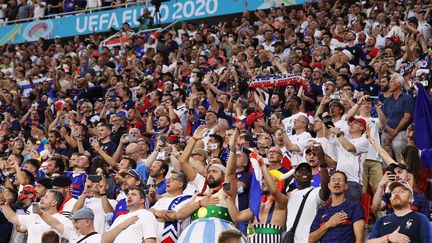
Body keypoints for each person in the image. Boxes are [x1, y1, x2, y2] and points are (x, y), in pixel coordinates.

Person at [286, 145, 330, 243]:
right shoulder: (292, 193)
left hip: (308, 240)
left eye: (307, 170)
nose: (304, 172)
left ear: (311, 177)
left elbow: (326, 191)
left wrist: (322, 163)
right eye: (300, 170)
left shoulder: (316, 191)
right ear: (294, 176)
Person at [309, 171, 365, 243]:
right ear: (329, 186)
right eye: (334, 180)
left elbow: (360, 240)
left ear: (346, 186)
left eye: (340, 180)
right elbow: (310, 239)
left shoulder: (354, 207)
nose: (337, 182)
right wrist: (329, 224)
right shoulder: (322, 211)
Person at [0, 189, 72, 243]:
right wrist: (3, 204)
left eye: (46, 197)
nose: (41, 198)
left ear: (54, 202)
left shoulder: (63, 220)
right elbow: (12, 218)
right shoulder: (34, 216)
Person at [330, 117, 369, 202]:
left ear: (362, 127)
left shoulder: (364, 141)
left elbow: (349, 147)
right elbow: (327, 136)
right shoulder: (344, 140)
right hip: (338, 180)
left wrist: (339, 134)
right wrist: (326, 123)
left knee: (350, 213)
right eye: (351, 123)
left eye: (355, 123)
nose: (351, 124)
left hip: (352, 182)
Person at [34, 207, 101, 243]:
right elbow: (56, 224)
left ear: (87, 222)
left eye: (77, 222)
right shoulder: (74, 233)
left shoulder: (98, 239)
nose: (74, 225)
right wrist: (41, 213)